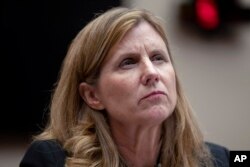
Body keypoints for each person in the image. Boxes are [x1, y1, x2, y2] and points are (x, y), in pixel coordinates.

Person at [20, 7, 230, 167]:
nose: (151, 73)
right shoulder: (49, 161)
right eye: (128, 62)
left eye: (158, 58)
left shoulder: (220, 159)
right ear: (92, 95)